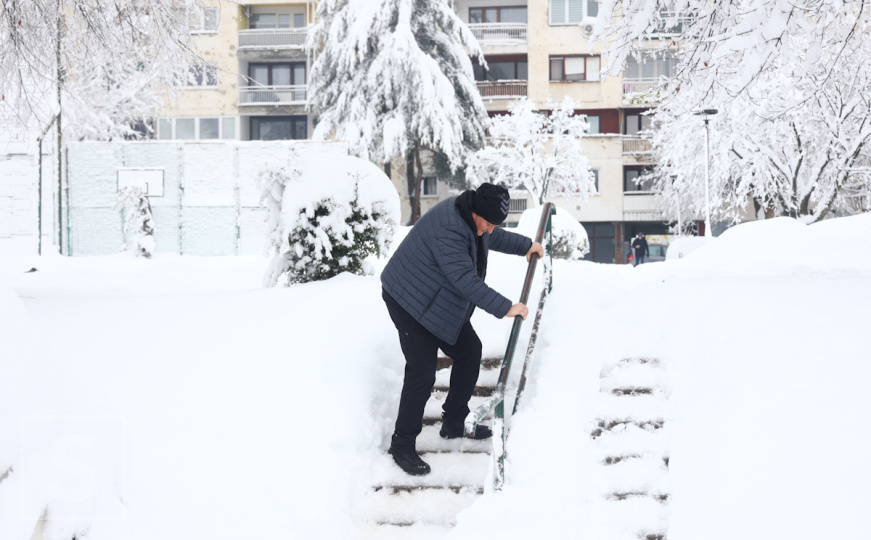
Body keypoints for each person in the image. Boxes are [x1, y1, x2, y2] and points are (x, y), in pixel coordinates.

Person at [380, 183, 544, 476]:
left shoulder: (475, 218)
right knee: (422, 372)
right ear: (475, 212)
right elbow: (465, 280)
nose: (490, 229)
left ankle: (454, 422)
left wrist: (525, 246)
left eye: (494, 224)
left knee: (470, 351)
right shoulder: (450, 229)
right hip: (407, 299)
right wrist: (506, 307)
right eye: (488, 223)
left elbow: (493, 235)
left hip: (434, 298)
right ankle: (402, 445)